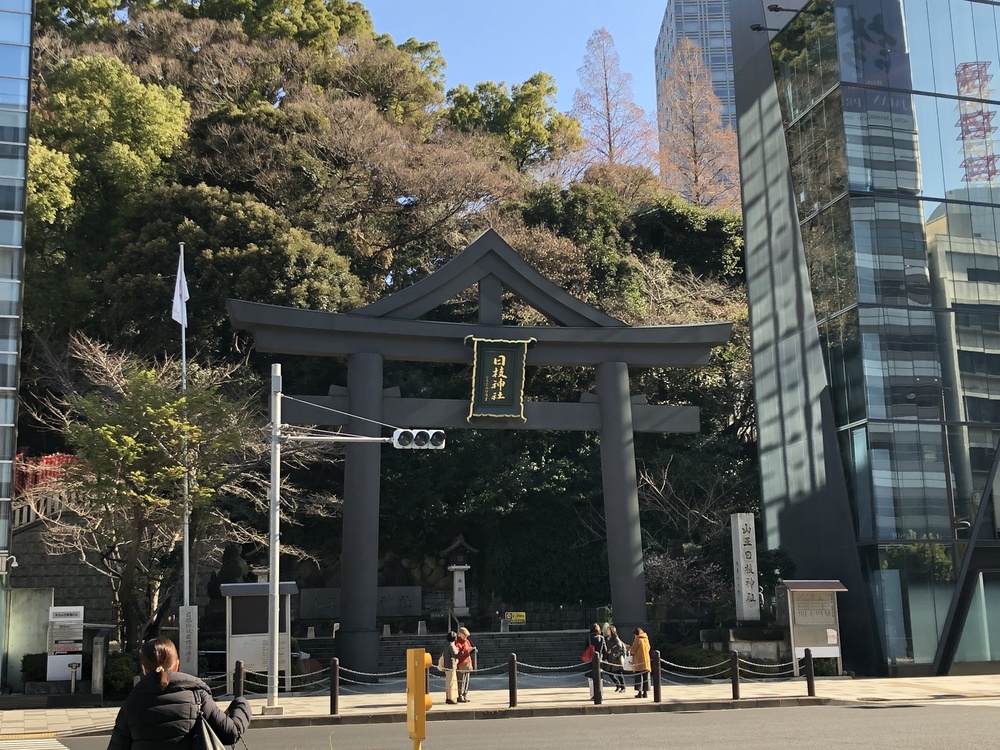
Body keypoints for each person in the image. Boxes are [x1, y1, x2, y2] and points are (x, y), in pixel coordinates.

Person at [108, 636, 251, 750]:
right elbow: (231, 733)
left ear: (144, 669)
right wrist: (241, 703)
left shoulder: (131, 705)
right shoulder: (197, 696)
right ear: (176, 664)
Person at [584, 622, 607, 700]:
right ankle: (600, 693)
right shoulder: (601, 638)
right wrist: (604, 658)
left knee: (591, 678)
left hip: (591, 659)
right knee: (600, 678)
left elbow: (585, 648)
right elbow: (605, 650)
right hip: (599, 659)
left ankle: (593, 694)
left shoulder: (588, 637)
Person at [603, 624, 627, 693]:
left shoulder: (616, 638)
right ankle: (617, 684)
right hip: (611, 658)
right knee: (610, 672)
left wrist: (612, 650)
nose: (607, 631)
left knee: (619, 673)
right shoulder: (607, 638)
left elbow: (619, 647)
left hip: (616, 658)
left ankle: (623, 686)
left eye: (608, 630)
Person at [455, 626, 476, 703]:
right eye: (465, 635)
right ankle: (460, 695)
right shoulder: (457, 642)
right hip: (461, 663)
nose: (466, 637)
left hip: (467, 662)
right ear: (460, 634)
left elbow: (469, 648)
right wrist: (467, 651)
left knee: (466, 680)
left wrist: (471, 650)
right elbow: (458, 653)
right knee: (461, 680)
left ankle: (464, 694)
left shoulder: (467, 641)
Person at [630, 626, 651, 699]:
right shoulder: (646, 639)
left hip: (639, 661)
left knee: (639, 677)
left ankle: (639, 693)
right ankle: (645, 693)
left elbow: (633, 650)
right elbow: (649, 648)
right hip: (646, 661)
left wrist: (628, 648)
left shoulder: (637, 639)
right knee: (646, 677)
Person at [441, 630, 460, 705]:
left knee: (448, 682)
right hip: (451, 666)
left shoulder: (447, 645)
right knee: (452, 682)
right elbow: (455, 655)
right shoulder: (451, 645)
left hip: (447, 666)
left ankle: (448, 697)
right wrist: (461, 652)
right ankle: (451, 698)